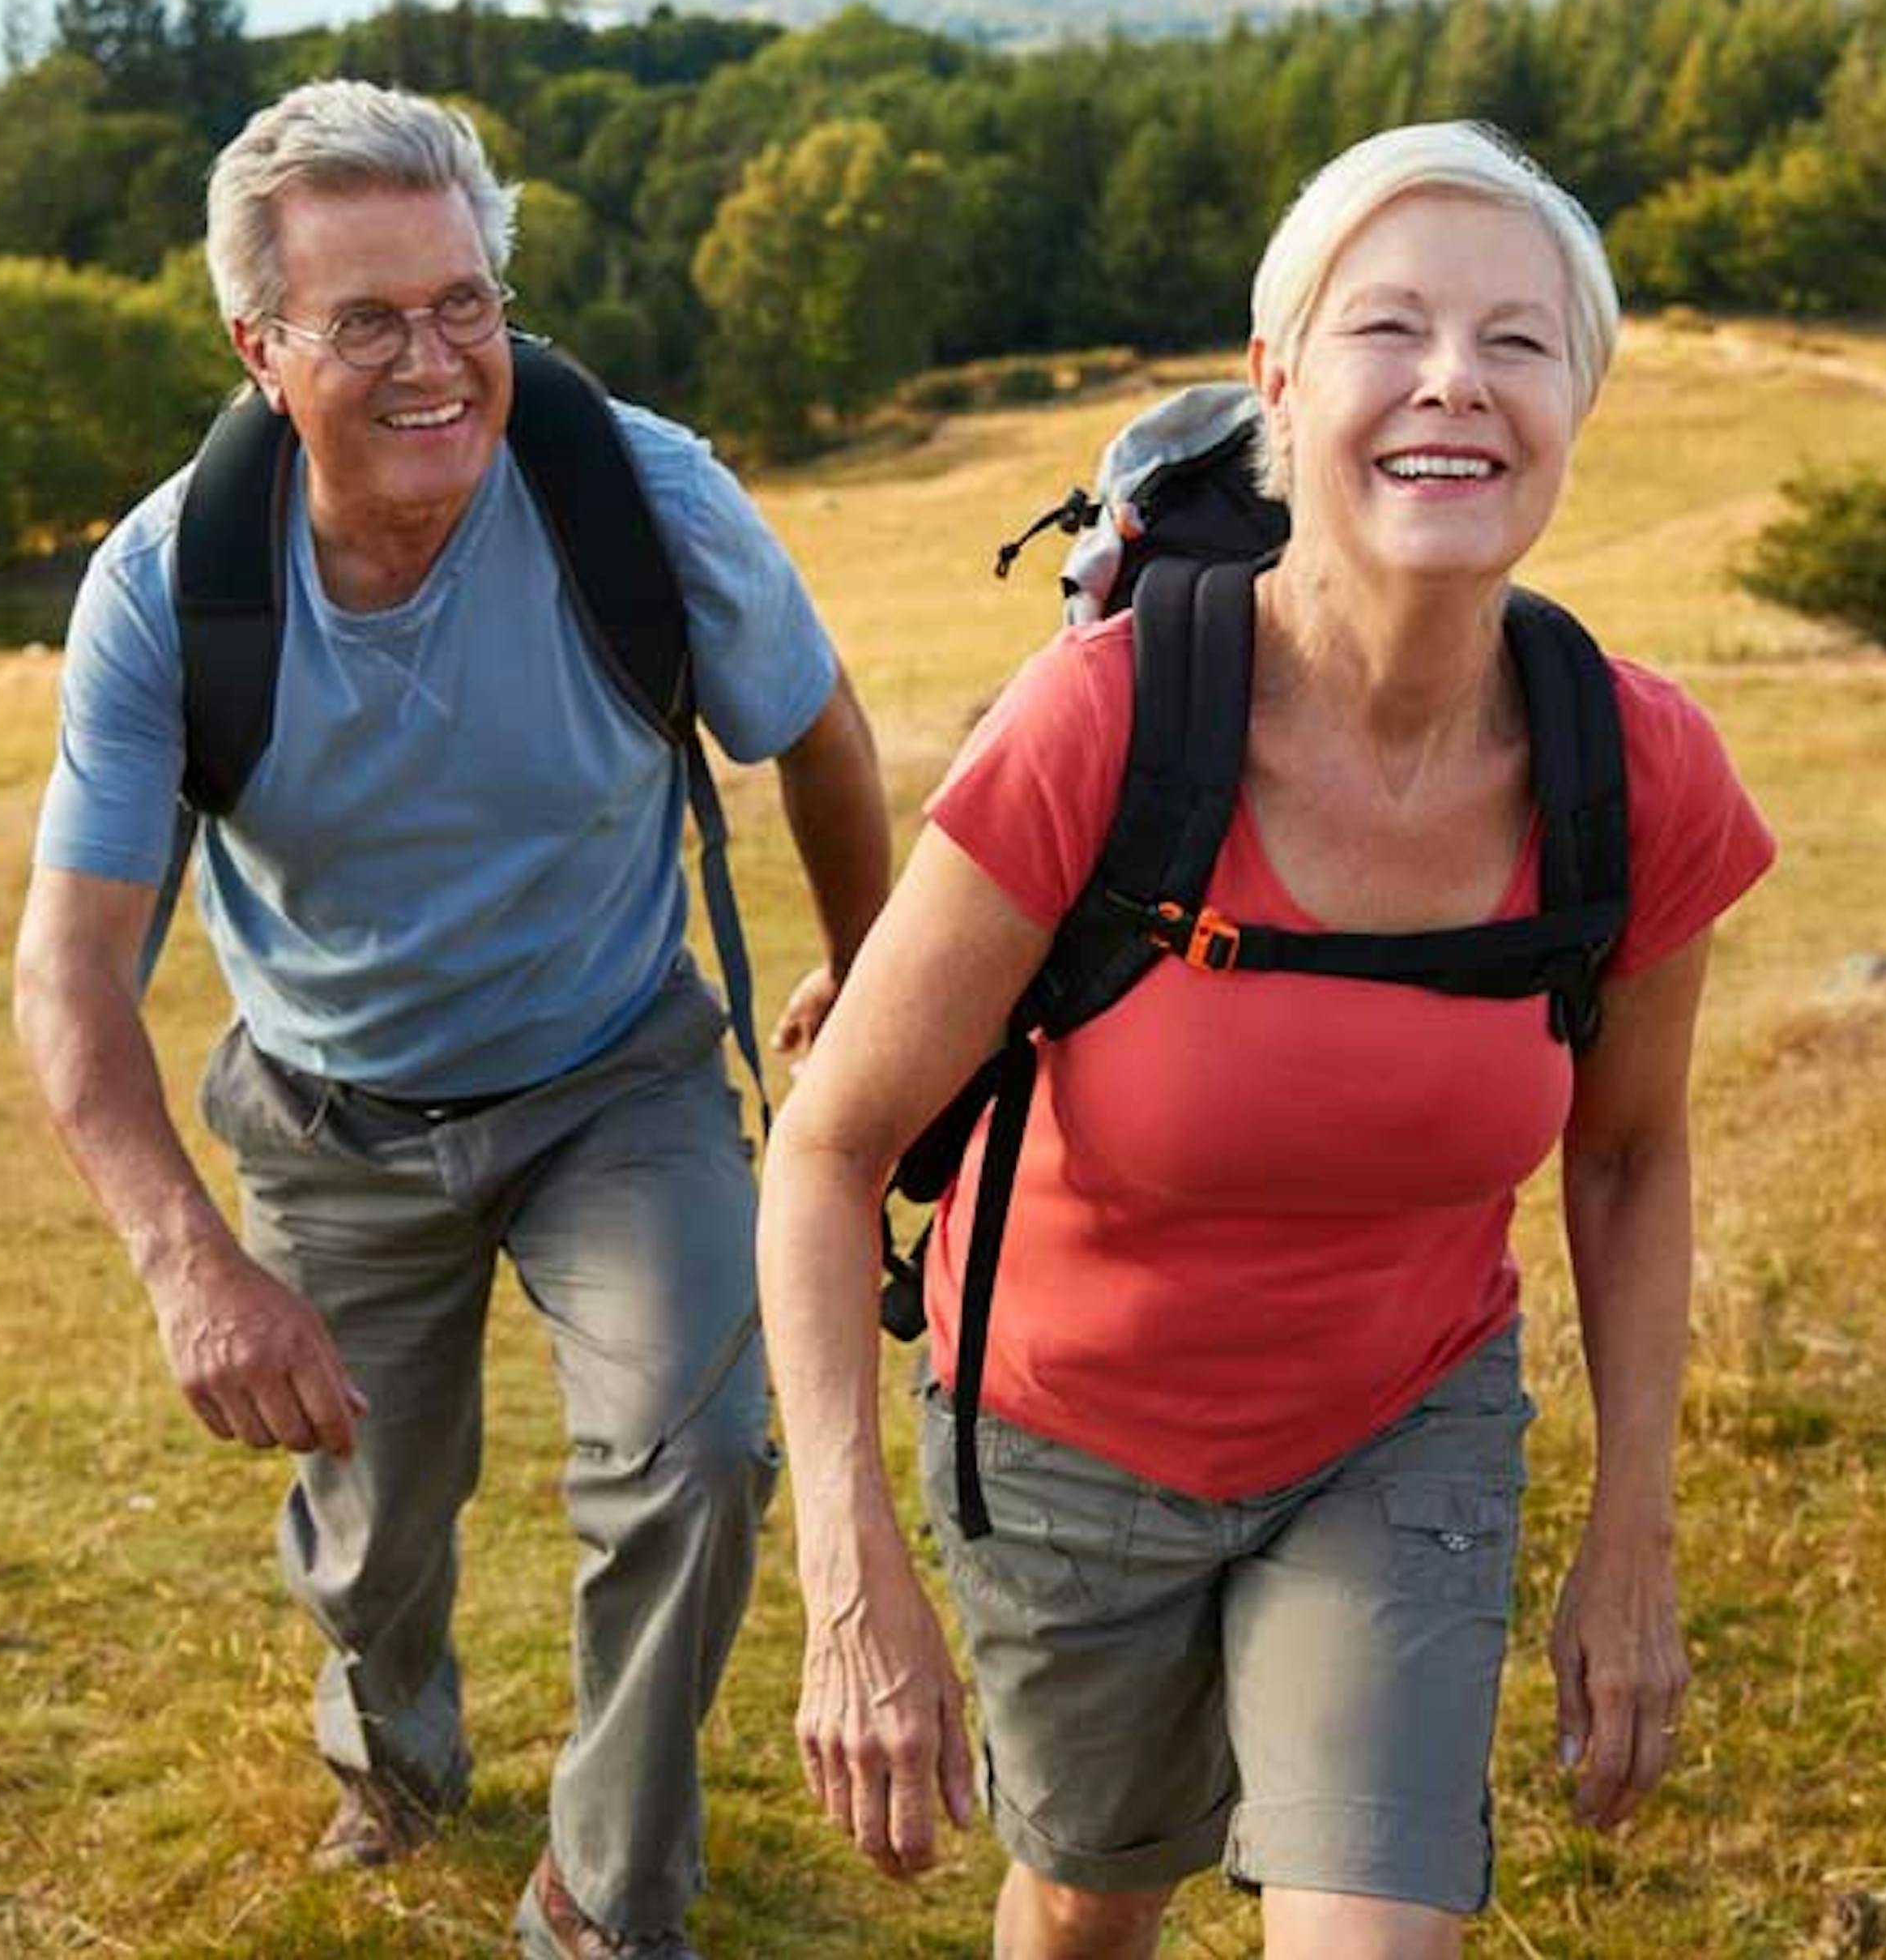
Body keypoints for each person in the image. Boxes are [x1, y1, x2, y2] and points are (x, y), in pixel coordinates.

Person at [755, 120, 1775, 1959]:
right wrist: (849, 1577)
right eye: (1389, 328)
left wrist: (1634, 1532)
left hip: (1402, 1425)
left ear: (1577, 404)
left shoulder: (1638, 767)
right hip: (1064, 1435)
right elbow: (827, 1149)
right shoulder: (1102, 724)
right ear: (1279, 386)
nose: (1455, 382)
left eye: (1520, 341)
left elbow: (1624, 1148)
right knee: (1088, 1898)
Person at [11, 79, 889, 1960]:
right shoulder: (171, 587)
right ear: (260, 347)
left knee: (702, 1447)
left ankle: (604, 1888)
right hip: (331, 1112)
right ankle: (391, 1756)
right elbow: (68, 970)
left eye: (466, 302)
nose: (438, 360)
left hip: (616, 1075)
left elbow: (816, 732)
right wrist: (190, 1263)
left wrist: (873, 984)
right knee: (372, 1530)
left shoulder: (636, 491)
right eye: (368, 320)